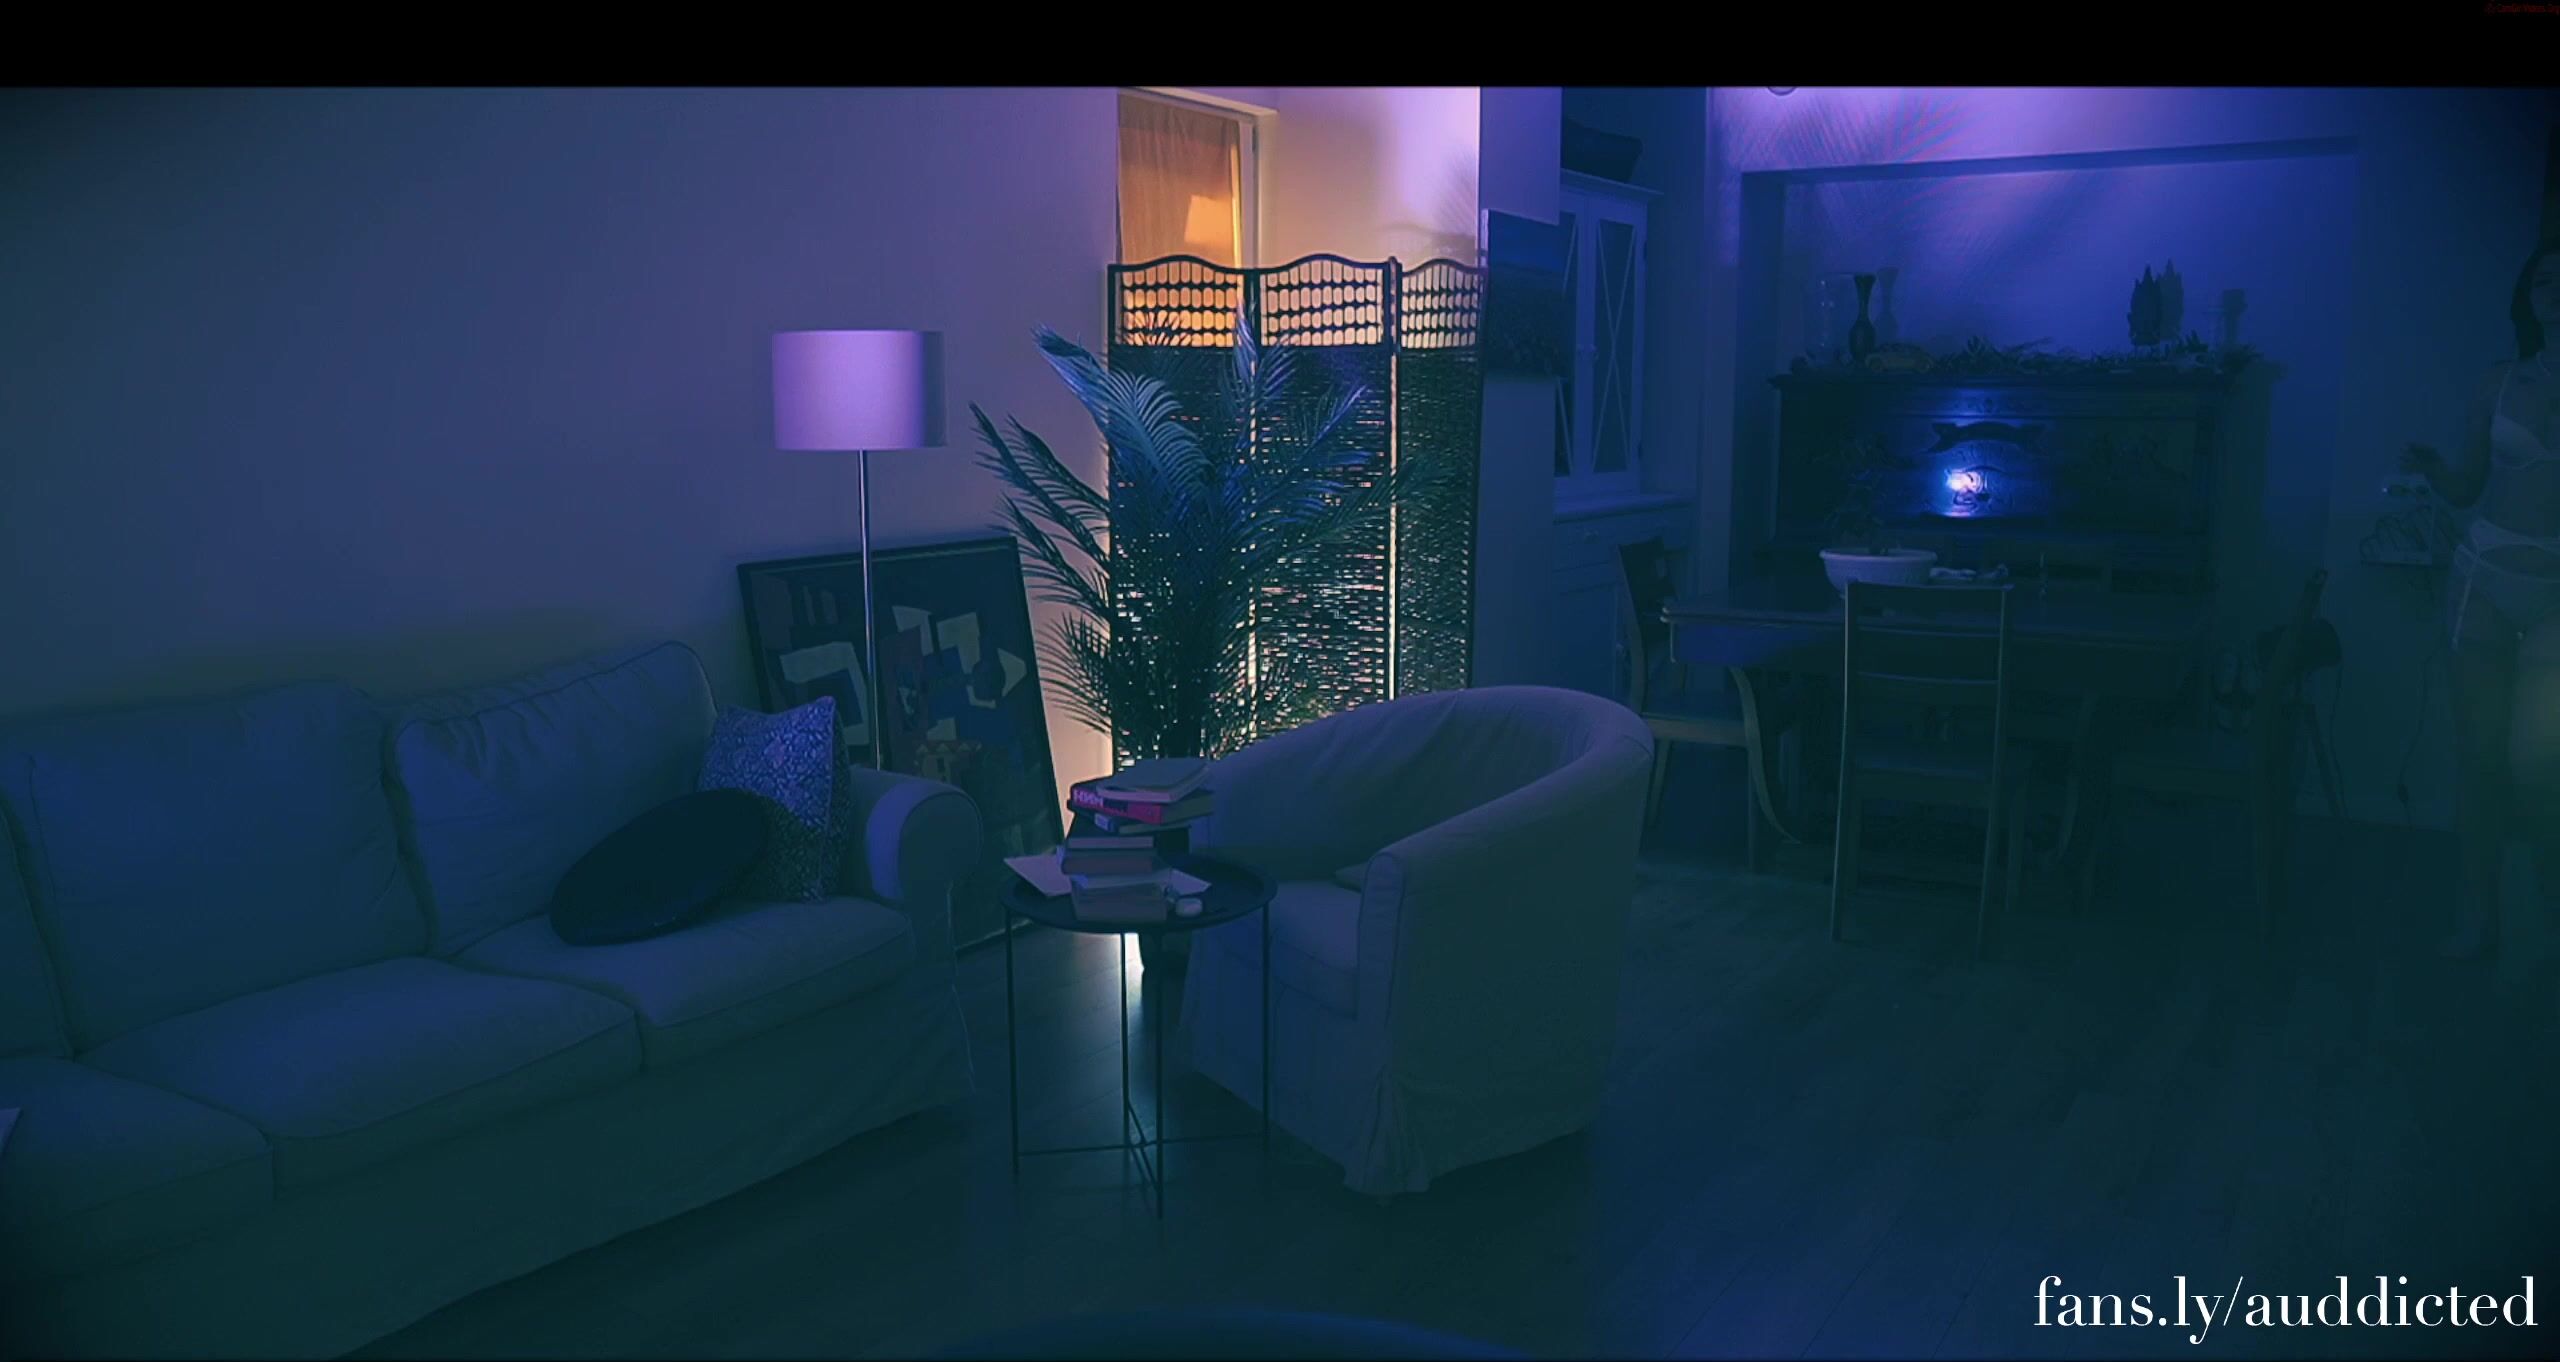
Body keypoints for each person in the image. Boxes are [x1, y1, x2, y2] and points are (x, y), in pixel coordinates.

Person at [2403, 236, 2560, 959]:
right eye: (2543, 282)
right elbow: (2466, 486)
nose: (2555, 292)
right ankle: (2477, 921)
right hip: (2483, 579)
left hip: (2555, 594)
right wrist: (2432, 468)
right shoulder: (2500, 381)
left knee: (2540, 762)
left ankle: (2544, 917)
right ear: (2528, 299)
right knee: (2480, 759)